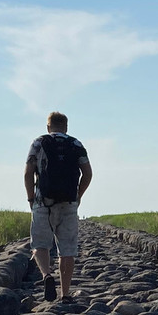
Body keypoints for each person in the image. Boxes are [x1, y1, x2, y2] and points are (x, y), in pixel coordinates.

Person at [24, 111, 92, 302]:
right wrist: (78, 195)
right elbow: (87, 173)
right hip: (68, 202)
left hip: (42, 202)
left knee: (40, 244)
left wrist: (31, 198)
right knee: (67, 250)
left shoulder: (38, 143)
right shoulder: (76, 144)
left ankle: (47, 275)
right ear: (66, 127)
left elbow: (28, 172)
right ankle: (65, 294)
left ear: (48, 126)